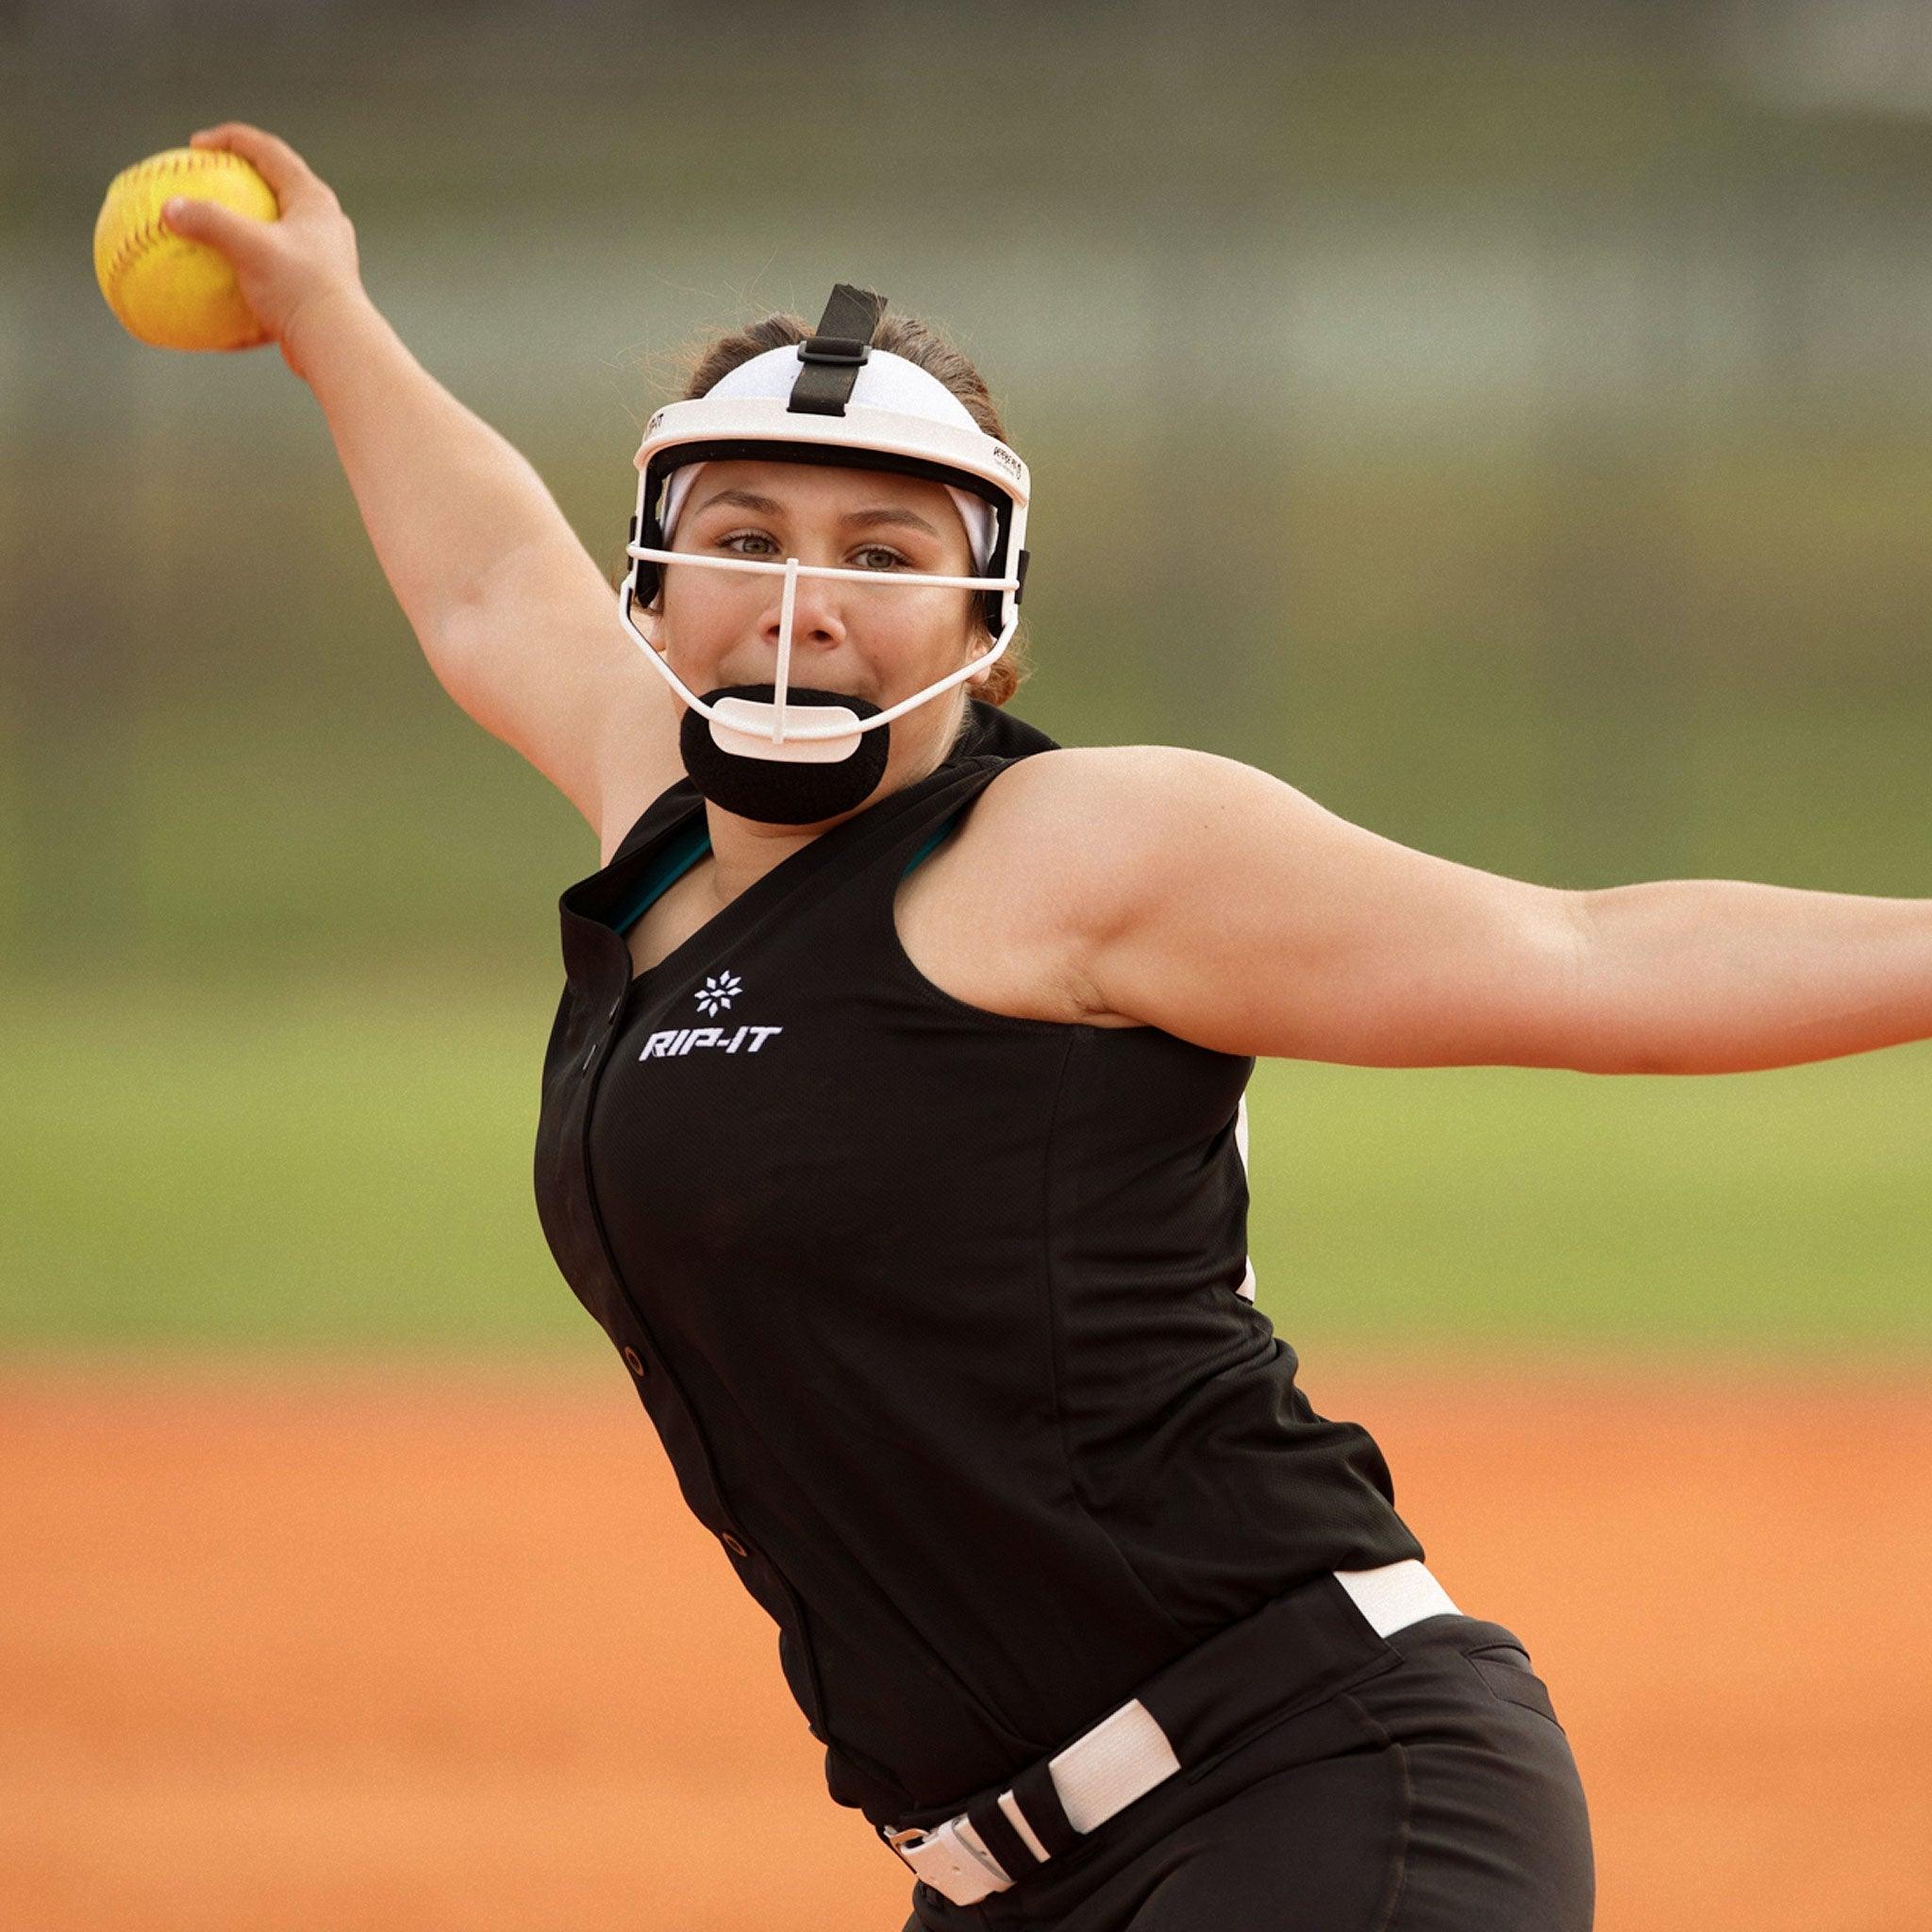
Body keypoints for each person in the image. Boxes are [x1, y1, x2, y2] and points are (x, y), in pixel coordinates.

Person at [166, 119, 1932, 1932]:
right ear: (662, 584)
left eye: (879, 548)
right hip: (1001, 1883)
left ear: (983, 622)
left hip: (1312, 1789)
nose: (802, 596)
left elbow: (1589, 957)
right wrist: (327, 319)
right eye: (746, 535)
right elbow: (484, 586)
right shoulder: (661, 824)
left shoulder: (1085, 854)